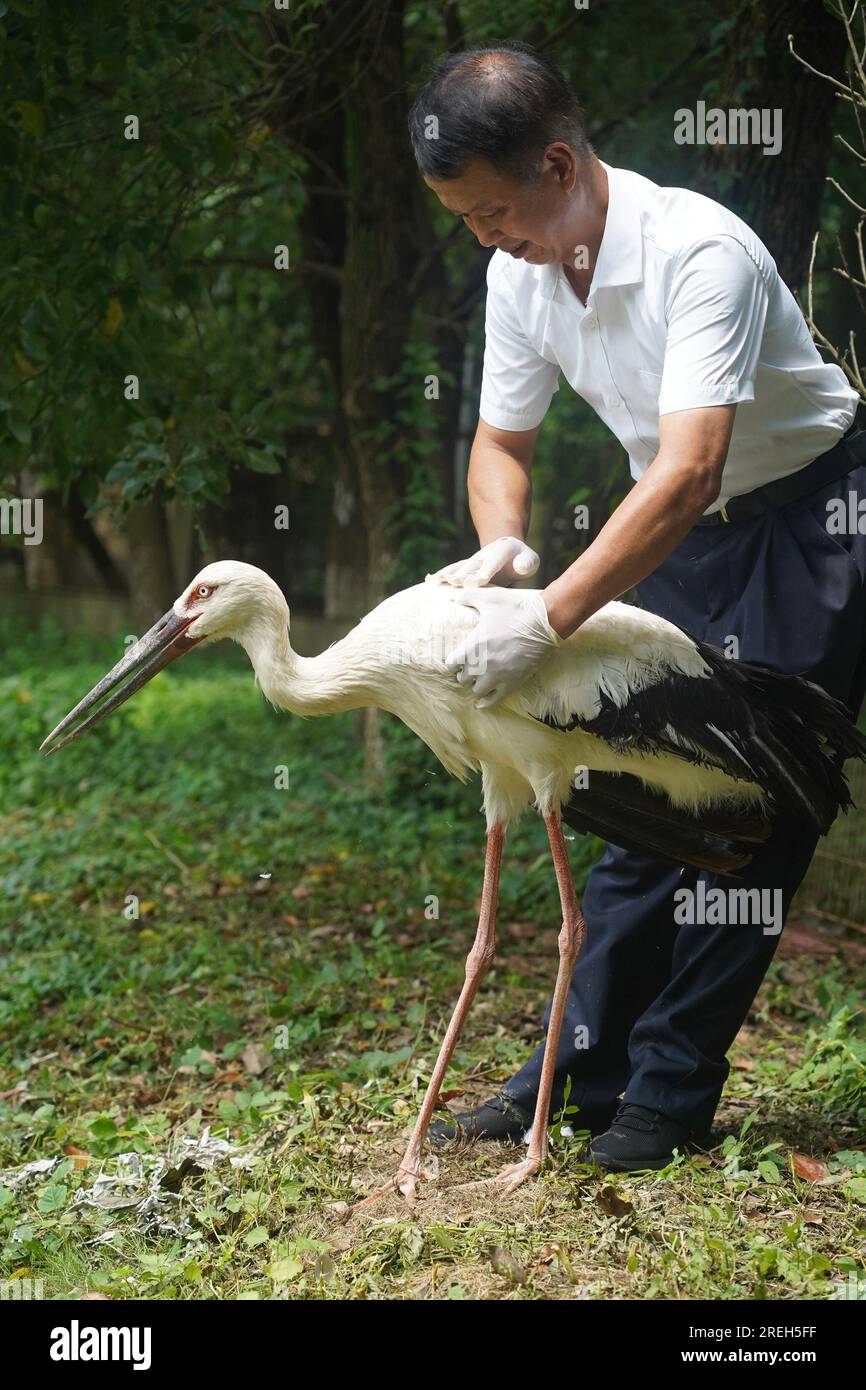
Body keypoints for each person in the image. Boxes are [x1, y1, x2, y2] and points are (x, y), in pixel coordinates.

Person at [407, 41, 865, 1170]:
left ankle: (665, 1096)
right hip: (671, 534)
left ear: (557, 165)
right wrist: (504, 556)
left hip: (806, 520)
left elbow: (689, 466)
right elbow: (498, 444)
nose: (483, 235)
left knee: (744, 814)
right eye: (464, 217)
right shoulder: (517, 274)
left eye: (488, 210)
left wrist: (550, 616)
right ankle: (571, 1070)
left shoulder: (697, 250)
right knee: (620, 795)